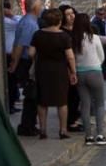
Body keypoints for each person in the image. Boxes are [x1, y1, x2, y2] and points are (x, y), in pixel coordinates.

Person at [29, 9, 77, 140]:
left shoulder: (38, 34)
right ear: (60, 21)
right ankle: (63, 130)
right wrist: (73, 72)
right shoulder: (64, 36)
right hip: (59, 70)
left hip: (42, 69)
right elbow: (70, 56)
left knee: (42, 101)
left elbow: (31, 53)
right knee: (62, 101)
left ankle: (43, 130)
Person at [71, 13, 106, 146]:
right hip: (95, 71)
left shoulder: (73, 39)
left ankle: (88, 136)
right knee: (99, 104)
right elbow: (102, 56)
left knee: (85, 105)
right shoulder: (95, 38)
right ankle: (100, 134)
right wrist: (96, 63)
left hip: (80, 73)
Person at [11, 0, 44, 136]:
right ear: (35, 8)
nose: (41, 8)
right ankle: (27, 125)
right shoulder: (29, 24)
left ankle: (29, 124)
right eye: (40, 6)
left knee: (31, 95)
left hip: (25, 61)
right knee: (31, 95)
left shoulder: (27, 21)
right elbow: (20, 46)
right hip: (26, 62)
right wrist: (14, 64)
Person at [59, 5, 83, 134]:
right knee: (71, 95)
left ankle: (73, 119)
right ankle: (70, 122)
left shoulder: (76, 30)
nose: (71, 16)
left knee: (76, 96)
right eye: (68, 14)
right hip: (67, 67)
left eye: (72, 13)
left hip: (79, 65)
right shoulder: (62, 32)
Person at [3, 0, 21, 114]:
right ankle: (11, 104)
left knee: (13, 80)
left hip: (10, 53)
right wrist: (12, 15)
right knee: (11, 81)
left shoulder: (7, 21)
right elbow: (20, 23)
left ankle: (12, 102)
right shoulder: (6, 21)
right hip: (9, 55)